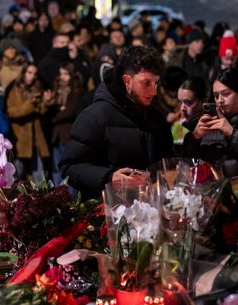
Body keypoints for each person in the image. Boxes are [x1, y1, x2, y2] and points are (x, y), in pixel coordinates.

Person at [59, 46, 173, 198]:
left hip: (150, 210)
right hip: (108, 214)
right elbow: (69, 167)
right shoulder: (95, 116)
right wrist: (109, 177)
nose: (154, 91)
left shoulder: (155, 117)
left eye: (155, 83)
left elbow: (168, 162)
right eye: (146, 83)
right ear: (127, 80)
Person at [183, 68, 238, 178]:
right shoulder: (207, 122)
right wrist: (194, 138)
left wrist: (233, 134)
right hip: (208, 189)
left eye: (226, 94)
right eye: (216, 96)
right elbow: (186, 165)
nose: (220, 100)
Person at [5, 64, 52, 180]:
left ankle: (40, 198)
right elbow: (12, 112)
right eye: (29, 73)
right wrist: (30, 105)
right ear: (24, 73)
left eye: (35, 74)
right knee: (16, 173)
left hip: (36, 138)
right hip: (20, 137)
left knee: (39, 176)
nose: (32, 76)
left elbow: (40, 112)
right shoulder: (14, 89)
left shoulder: (37, 88)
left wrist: (46, 102)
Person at [49, 63, 85, 184]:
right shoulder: (56, 90)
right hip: (56, 135)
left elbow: (70, 111)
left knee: (68, 169)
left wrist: (54, 118)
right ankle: (57, 198)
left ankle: (70, 200)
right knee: (56, 168)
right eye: (61, 73)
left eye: (65, 74)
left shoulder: (76, 90)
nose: (62, 77)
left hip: (68, 134)